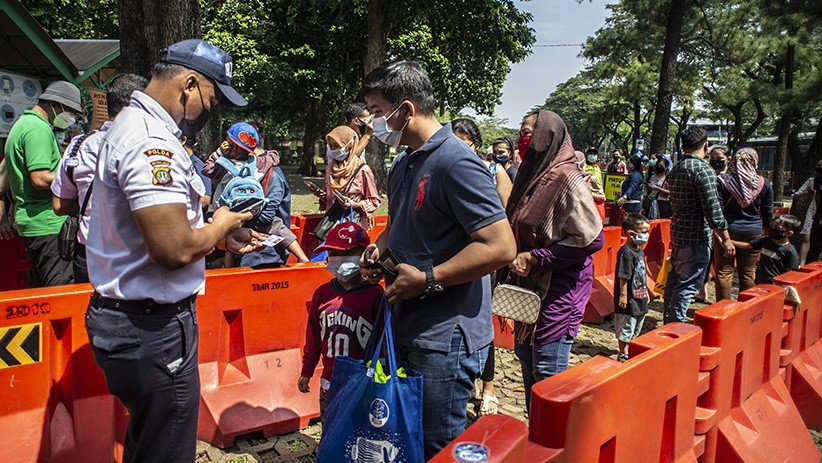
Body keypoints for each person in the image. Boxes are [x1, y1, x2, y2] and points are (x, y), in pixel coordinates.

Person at [83, 39, 266, 463]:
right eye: (211, 99)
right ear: (188, 84)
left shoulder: (132, 126)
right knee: (166, 451)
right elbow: (172, 249)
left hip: (133, 322)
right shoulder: (152, 142)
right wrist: (222, 221)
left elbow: (157, 230)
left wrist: (217, 239)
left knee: (148, 442)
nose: (210, 111)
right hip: (153, 330)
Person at [359, 59, 516, 458]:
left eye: (378, 112)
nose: (374, 124)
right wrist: (381, 250)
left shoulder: (455, 161)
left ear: (406, 109)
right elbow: (401, 224)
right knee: (404, 437)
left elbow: (501, 246)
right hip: (408, 325)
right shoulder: (403, 163)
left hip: (446, 339)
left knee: (437, 445)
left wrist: (430, 278)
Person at [502, 110, 604, 414]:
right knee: (525, 356)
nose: (524, 139)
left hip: (559, 290)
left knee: (547, 370)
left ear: (550, 135)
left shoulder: (567, 178)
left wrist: (536, 257)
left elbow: (592, 239)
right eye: (521, 131)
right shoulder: (529, 176)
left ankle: (552, 444)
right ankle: (536, 436)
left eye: (531, 132)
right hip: (529, 290)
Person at [51, 74, 148, 283]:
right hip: (133, 257)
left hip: (87, 255)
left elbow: (59, 205)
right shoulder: (148, 145)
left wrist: (91, 205)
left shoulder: (79, 145)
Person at [298, 221, 383, 420]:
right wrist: (307, 370)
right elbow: (313, 337)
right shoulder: (322, 294)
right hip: (330, 383)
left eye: (344, 253)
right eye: (332, 254)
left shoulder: (375, 296)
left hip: (364, 384)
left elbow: (384, 342)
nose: (337, 259)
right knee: (331, 429)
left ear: (364, 254)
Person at [5, 80, 82, 287]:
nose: (71, 118)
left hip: (34, 223)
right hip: (47, 223)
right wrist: (74, 177)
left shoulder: (23, 124)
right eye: (71, 111)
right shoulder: (37, 129)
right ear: (55, 104)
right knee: (59, 290)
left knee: (41, 290)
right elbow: (39, 177)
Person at [663, 127, 735, 324]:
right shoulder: (703, 170)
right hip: (696, 236)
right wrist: (725, 238)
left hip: (678, 233)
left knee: (675, 281)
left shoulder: (676, 168)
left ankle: (667, 322)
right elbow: (713, 208)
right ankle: (675, 326)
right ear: (705, 145)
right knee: (687, 285)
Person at [204, 122, 294, 268]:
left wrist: (239, 223)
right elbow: (209, 170)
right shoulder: (229, 166)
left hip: (264, 252)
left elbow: (267, 215)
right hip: (241, 243)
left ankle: (303, 259)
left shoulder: (270, 174)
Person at [714, 147, 773, 300]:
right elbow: (768, 214)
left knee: (724, 273)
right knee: (748, 274)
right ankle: (747, 311)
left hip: (727, 232)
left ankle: (723, 311)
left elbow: (718, 210)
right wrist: (767, 236)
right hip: (753, 232)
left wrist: (720, 234)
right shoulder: (764, 183)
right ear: (755, 162)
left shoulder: (722, 181)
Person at [311, 126, 381, 231]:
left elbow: (374, 200)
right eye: (331, 146)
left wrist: (354, 204)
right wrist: (322, 196)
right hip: (330, 227)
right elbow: (329, 200)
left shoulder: (362, 170)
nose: (334, 150)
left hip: (353, 228)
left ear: (349, 145)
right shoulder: (330, 168)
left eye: (337, 146)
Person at [614, 213, 650, 362]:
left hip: (640, 295)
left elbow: (642, 273)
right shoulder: (625, 252)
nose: (646, 235)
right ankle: (623, 352)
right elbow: (624, 275)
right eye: (643, 232)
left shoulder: (640, 251)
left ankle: (631, 348)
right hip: (629, 297)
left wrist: (646, 291)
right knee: (626, 325)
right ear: (631, 233)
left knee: (637, 325)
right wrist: (623, 295)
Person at [453, 118, 513, 208]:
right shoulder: (440, 171)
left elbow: (507, 211)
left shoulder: (495, 172)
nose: (456, 150)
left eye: (462, 146)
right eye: (450, 145)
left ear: (476, 145)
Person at [730, 215, 801, 285]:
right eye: (772, 225)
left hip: (776, 285)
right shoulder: (766, 240)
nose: (772, 228)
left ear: (788, 233)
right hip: (760, 281)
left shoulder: (790, 251)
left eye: (777, 227)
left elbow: (791, 273)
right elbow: (748, 246)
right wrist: (729, 242)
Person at [793, 160, 822, 265]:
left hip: (819, 210)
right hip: (814, 210)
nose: (819, 168)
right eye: (817, 165)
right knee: (807, 238)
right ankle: (802, 263)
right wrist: (806, 194)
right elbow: (796, 195)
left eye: (821, 166)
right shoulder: (812, 180)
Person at [582, 149, 606, 222]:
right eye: (591, 154)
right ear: (586, 155)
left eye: (594, 154)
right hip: (587, 195)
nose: (593, 156)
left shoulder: (597, 168)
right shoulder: (584, 166)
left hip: (598, 196)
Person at [645, 154, 672, 219]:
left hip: (663, 203)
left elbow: (670, 192)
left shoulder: (667, 178)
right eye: (658, 165)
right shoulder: (653, 176)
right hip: (652, 201)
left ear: (665, 167)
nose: (659, 167)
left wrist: (657, 188)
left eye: (661, 166)